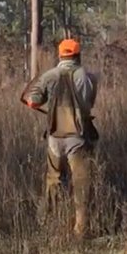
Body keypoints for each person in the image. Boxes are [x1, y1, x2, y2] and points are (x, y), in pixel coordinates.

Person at [21, 39, 99, 238]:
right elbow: (89, 102)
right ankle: (80, 231)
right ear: (78, 55)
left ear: (60, 55)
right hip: (78, 139)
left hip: (54, 138)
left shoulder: (49, 75)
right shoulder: (86, 76)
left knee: (53, 181)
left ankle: (49, 225)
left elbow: (31, 100)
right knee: (81, 184)